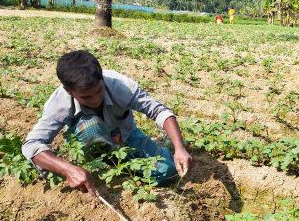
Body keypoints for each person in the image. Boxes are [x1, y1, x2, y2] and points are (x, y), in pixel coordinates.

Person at [21, 50, 192, 197]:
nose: (95, 100)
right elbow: (32, 145)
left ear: (102, 79)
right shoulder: (59, 104)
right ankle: (97, 160)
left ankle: (125, 164)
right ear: (69, 91)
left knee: (167, 172)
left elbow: (159, 111)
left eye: (99, 91)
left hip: (126, 136)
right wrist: (67, 169)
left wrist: (179, 148)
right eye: (86, 97)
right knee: (91, 126)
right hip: (88, 142)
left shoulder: (120, 86)